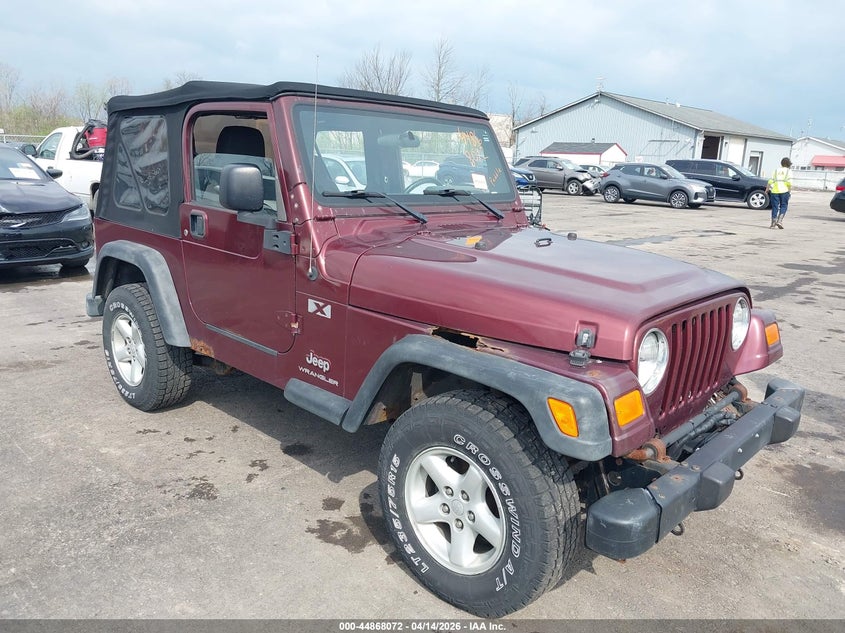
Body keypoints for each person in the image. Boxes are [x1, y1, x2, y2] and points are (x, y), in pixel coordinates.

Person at [766, 157, 793, 229]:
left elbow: (770, 181)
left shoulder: (776, 170)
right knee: (784, 205)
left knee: (775, 207)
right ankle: (779, 221)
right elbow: (789, 183)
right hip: (784, 191)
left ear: (781, 163)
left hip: (774, 191)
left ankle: (773, 223)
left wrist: (767, 189)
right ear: (789, 164)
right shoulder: (789, 171)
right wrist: (789, 192)